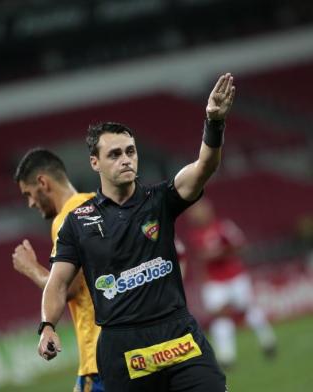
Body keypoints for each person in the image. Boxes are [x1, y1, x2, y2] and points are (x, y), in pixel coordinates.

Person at [38, 73, 235, 391]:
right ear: (95, 163)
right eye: (114, 154)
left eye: (130, 151)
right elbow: (58, 283)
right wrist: (47, 326)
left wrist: (214, 122)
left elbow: (205, 166)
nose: (126, 159)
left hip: (178, 335)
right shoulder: (78, 221)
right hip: (123, 347)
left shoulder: (161, 199)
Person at [12, 148, 104, 392]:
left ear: (43, 182)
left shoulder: (65, 219)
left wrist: (30, 268)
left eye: (28, 194)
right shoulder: (96, 204)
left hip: (98, 355)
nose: (30, 203)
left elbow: (68, 287)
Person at [184, 197, 277, 368]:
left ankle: (268, 341)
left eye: (199, 211)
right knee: (219, 316)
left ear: (209, 211)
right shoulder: (194, 235)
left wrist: (221, 252)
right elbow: (200, 258)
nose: (196, 215)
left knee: (247, 310)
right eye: (194, 213)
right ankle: (226, 357)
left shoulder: (224, 227)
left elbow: (241, 247)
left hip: (235, 277)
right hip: (215, 282)